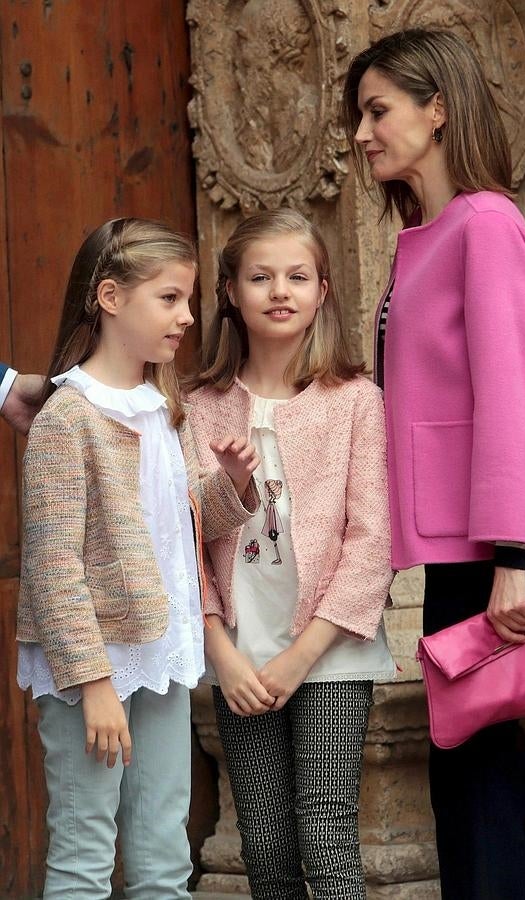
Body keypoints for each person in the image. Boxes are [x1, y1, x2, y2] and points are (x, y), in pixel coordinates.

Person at [341, 28, 525, 900]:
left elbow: (516, 404)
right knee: (482, 768)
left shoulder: (484, 225)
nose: (361, 133)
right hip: (469, 543)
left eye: (378, 110)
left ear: (438, 109)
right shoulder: (436, 233)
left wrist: (514, 565)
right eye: (359, 115)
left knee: (473, 769)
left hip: (492, 544)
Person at [15, 218, 260, 900]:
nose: (187, 317)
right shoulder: (69, 418)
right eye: (170, 298)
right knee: (84, 857)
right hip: (90, 672)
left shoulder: (162, 409)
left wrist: (232, 489)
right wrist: (93, 684)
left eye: (188, 301)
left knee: (163, 858)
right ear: (111, 297)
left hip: (162, 657)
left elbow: (176, 529)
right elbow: (54, 566)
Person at [186, 208, 395, 899]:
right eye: (260, 276)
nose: (280, 290)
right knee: (265, 844)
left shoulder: (356, 402)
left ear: (322, 289)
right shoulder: (197, 407)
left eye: (297, 276)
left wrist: (301, 654)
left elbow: (372, 540)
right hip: (239, 655)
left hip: (329, 651)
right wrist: (221, 651)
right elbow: (182, 541)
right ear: (230, 292)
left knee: (326, 832)